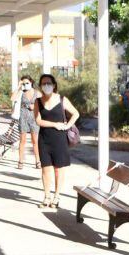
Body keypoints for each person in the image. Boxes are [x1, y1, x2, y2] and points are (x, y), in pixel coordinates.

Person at [34, 73, 79, 208]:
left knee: (58, 169)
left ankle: (57, 196)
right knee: (45, 169)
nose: (46, 86)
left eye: (49, 83)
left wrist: (67, 126)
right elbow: (38, 121)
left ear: (54, 85)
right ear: (41, 86)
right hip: (44, 139)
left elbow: (76, 113)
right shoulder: (38, 101)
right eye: (43, 83)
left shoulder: (62, 99)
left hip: (60, 139)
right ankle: (47, 196)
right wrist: (55, 124)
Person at [14, 75, 40, 169]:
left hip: (34, 118)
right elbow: (12, 98)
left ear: (31, 82)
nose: (25, 85)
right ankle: (20, 161)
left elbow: (44, 104)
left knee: (35, 141)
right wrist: (19, 86)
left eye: (27, 83)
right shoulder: (21, 92)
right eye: (24, 83)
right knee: (22, 141)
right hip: (23, 117)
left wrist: (36, 107)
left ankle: (38, 161)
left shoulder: (37, 93)